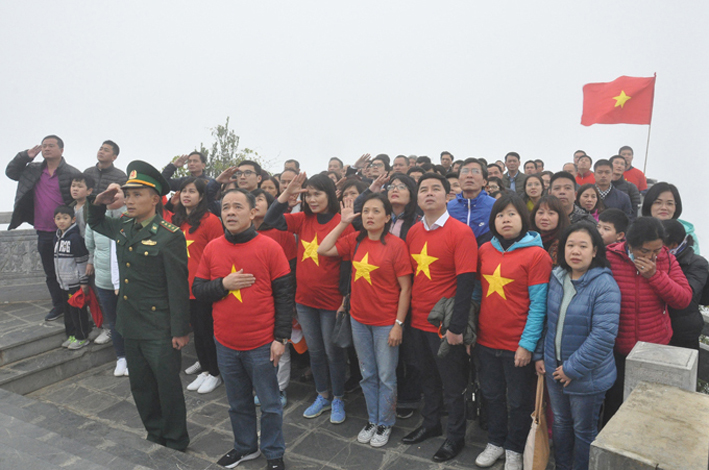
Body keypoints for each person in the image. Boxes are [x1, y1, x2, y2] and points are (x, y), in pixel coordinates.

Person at [89, 161, 190, 451]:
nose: (129, 200)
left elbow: (178, 287)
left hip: (159, 327)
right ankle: (155, 434)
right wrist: (98, 203)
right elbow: (96, 223)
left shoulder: (169, 235)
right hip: (130, 323)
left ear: (155, 199)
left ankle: (175, 440)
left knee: (167, 387)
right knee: (141, 386)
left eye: (137, 195)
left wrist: (180, 330)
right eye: (128, 194)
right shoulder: (123, 226)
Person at [191, 188, 291, 470]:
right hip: (225, 342)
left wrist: (280, 338)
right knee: (237, 403)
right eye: (225, 208)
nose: (231, 212)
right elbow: (198, 290)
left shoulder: (270, 247)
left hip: (262, 343)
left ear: (253, 212)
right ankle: (246, 447)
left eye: (238, 207)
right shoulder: (213, 248)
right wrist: (223, 284)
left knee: (270, 404)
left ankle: (274, 453)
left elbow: (285, 295)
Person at [318, 194, 413, 448]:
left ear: (387, 217)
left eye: (376, 211)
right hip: (358, 320)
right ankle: (373, 419)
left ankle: (386, 422)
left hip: (386, 323)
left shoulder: (396, 246)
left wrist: (398, 324)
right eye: (366, 211)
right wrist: (343, 223)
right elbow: (323, 249)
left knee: (386, 375)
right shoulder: (355, 240)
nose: (370, 215)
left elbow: (406, 288)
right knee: (367, 374)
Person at [264, 172, 353, 424]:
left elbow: (348, 267)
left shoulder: (343, 222)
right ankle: (322, 395)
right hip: (304, 300)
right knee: (315, 352)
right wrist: (286, 195)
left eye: (318, 194)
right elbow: (270, 220)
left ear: (330, 195)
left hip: (331, 302)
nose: (312, 199)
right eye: (309, 194)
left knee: (333, 353)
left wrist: (344, 301)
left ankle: (338, 398)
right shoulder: (303, 219)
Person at [401, 173, 477, 463]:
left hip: (445, 325)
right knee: (427, 378)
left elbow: (466, 284)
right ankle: (430, 423)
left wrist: (456, 328)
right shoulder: (413, 232)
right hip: (417, 320)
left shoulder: (461, 232)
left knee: (453, 385)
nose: (429, 193)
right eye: (424, 189)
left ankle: (455, 436)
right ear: (417, 198)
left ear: (448, 196)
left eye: (436, 189)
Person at [474, 194, 552, 470]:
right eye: (500, 215)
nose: (505, 220)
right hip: (486, 341)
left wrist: (527, 345)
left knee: (519, 401)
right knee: (492, 395)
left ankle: (514, 448)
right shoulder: (485, 250)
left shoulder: (537, 255)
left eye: (511, 214)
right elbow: (476, 293)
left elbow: (539, 305)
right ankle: (495, 441)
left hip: (517, 345)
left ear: (523, 218)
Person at [535, 223, 620, 470]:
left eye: (583, 246)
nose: (575, 251)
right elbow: (546, 320)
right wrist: (540, 355)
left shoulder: (604, 285)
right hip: (554, 368)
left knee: (584, 429)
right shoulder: (557, 277)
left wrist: (571, 369)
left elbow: (603, 336)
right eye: (570, 245)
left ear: (595, 251)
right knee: (561, 423)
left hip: (587, 374)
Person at [603, 217, 692, 425]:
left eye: (657, 250)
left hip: (654, 349)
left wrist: (655, 276)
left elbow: (683, 299)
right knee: (614, 408)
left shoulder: (667, 260)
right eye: (645, 251)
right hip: (617, 348)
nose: (652, 256)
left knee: (648, 411)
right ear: (630, 244)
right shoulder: (610, 257)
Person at [6, 135, 82, 321]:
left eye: (51, 146)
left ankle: (76, 306)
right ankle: (59, 306)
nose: (46, 148)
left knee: (72, 273)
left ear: (61, 150)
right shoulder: (32, 170)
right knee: (50, 273)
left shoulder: (71, 172)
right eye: (44, 146)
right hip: (43, 231)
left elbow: (81, 196)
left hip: (66, 232)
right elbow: (11, 173)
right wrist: (25, 156)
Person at [167, 178, 225, 394]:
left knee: (206, 331)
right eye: (183, 191)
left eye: (192, 191)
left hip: (203, 286)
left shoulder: (211, 221)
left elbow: (219, 253)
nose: (186, 195)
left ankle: (215, 372)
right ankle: (206, 369)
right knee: (197, 333)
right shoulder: (177, 220)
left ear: (201, 196)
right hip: (182, 286)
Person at [253, 188, 298, 406]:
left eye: (260, 199)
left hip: (277, 297)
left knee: (280, 345)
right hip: (253, 299)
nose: (255, 203)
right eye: (252, 199)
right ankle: (261, 387)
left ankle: (279, 388)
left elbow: (290, 268)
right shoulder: (243, 232)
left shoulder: (281, 232)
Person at [85, 190, 128, 374]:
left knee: (130, 321)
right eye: (108, 194)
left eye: (116, 193)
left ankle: (133, 357)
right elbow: (90, 245)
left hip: (127, 282)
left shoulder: (129, 220)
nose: (112, 197)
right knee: (114, 321)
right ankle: (121, 357)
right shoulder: (96, 222)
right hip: (104, 280)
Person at [662, 219, 709, 351]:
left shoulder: (697, 263)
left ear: (674, 245)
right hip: (657, 326)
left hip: (683, 329)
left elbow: (687, 295)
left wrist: (656, 274)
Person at [53, 205, 91, 349]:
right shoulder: (57, 238)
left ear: (73, 219)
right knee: (68, 312)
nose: (61, 221)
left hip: (75, 283)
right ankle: (72, 335)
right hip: (63, 283)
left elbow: (81, 262)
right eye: (58, 218)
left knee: (77, 312)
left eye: (65, 218)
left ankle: (82, 336)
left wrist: (83, 282)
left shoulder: (75, 238)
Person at [447, 157, 496, 245]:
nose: (469, 175)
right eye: (465, 171)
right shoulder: (447, 208)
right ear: (459, 180)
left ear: (484, 182)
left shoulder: (495, 206)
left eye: (475, 172)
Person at [642, 182, 700, 254]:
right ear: (649, 204)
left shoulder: (687, 235)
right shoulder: (638, 230)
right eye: (658, 203)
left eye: (669, 203)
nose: (664, 207)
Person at [530, 195, 570, 267]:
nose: (544, 218)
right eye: (540, 213)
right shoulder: (526, 240)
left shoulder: (566, 242)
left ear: (560, 217)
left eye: (551, 213)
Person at [69, 173, 95, 237]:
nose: (75, 189)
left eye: (80, 186)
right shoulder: (69, 208)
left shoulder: (92, 208)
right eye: (73, 186)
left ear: (89, 191)